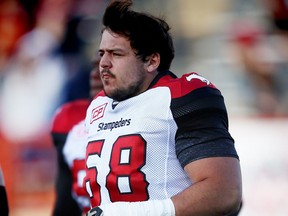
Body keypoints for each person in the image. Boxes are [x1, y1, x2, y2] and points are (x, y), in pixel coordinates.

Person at [84, 1, 242, 215]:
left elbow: (225, 192)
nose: (103, 62)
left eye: (116, 54)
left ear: (151, 61)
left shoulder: (179, 97)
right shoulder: (98, 106)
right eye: (102, 53)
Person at [51, 57, 103, 215]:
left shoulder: (160, 111)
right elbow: (65, 202)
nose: (96, 73)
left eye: (110, 63)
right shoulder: (70, 118)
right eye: (95, 66)